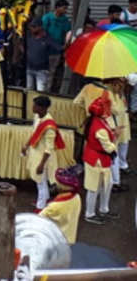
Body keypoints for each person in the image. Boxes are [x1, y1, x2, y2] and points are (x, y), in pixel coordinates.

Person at [21, 96, 65, 210]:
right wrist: (26, 145)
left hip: (43, 158)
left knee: (41, 182)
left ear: (42, 108)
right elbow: (34, 134)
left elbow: (49, 148)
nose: (33, 107)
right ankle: (43, 201)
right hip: (36, 154)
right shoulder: (37, 117)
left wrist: (41, 164)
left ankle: (41, 207)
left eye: (35, 105)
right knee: (39, 181)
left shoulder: (49, 127)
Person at [83, 95, 117, 224]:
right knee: (94, 188)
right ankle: (90, 214)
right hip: (97, 159)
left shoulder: (95, 120)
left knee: (107, 184)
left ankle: (104, 209)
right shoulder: (100, 127)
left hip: (96, 157)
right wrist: (115, 137)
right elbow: (109, 148)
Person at [39, 168, 82, 244]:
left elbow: (38, 219)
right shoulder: (77, 197)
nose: (55, 185)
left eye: (58, 183)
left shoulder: (54, 206)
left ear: (63, 187)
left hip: (55, 241)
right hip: (69, 238)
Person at [41, 0, 71, 92]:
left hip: (57, 50)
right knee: (44, 71)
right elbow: (42, 32)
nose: (66, 11)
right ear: (57, 8)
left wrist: (65, 45)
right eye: (64, 8)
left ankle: (48, 90)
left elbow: (67, 33)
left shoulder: (65, 20)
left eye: (66, 9)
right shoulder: (47, 18)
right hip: (46, 50)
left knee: (52, 72)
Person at [26, 18, 61, 92]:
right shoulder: (29, 37)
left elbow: (59, 48)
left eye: (34, 27)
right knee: (29, 91)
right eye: (31, 27)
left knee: (41, 91)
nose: (32, 29)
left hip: (42, 70)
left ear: (40, 27)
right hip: (29, 68)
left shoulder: (47, 38)